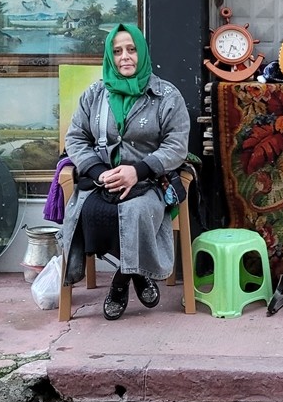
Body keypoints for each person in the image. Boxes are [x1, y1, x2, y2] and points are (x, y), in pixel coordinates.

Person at [57, 24, 190, 320]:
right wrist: (98, 171)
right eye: (117, 52)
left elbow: (177, 146)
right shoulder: (94, 94)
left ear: (141, 52)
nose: (125, 57)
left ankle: (120, 283)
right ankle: (138, 274)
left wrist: (138, 170)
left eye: (131, 50)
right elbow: (76, 137)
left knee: (136, 212)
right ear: (109, 56)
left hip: (150, 183)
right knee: (88, 213)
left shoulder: (167, 96)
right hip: (100, 182)